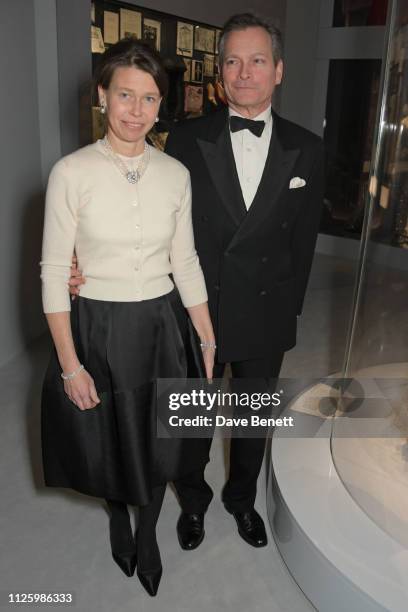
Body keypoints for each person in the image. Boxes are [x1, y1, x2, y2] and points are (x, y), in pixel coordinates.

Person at [70, 13, 325, 552]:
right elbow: (145, 216)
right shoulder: (184, 139)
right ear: (218, 74)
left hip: (267, 309)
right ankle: (195, 502)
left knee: (252, 423)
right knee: (191, 426)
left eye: (257, 61)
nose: (244, 72)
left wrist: (289, 310)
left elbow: (303, 243)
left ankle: (240, 500)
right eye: (232, 61)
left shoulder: (308, 148)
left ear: (278, 71)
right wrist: (85, 261)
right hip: (194, 311)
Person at [40, 38, 215, 597]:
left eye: (148, 98)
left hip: (164, 325)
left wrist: (207, 339)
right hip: (98, 327)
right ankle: (120, 517)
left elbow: (184, 259)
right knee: (111, 437)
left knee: (162, 440)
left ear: (161, 104)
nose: (136, 110)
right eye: (124, 95)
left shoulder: (175, 175)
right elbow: (51, 273)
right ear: (102, 96)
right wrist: (70, 365)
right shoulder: (71, 173)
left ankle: (149, 537)